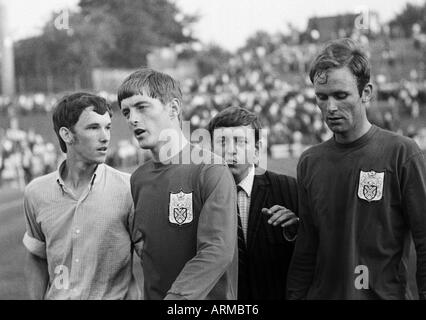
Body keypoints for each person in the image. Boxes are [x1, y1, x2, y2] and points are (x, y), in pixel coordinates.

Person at [286, 38, 426, 300]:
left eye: (341, 95)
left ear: (366, 92)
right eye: (322, 97)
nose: (331, 107)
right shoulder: (309, 162)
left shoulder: (402, 154)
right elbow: (306, 250)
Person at [118, 68, 238, 300]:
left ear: (173, 108)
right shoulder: (138, 178)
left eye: (141, 107)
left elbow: (217, 251)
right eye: (126, 112)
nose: (132, 119)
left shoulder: (210, 169)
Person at [22, 92, 140, 300]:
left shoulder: (129, 189)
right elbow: (36, 256)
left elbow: (152, 259)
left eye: (107, 127)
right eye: (93, 127)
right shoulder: (36, 192)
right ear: (67, 135)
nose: (105, 136)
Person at [207, 106, 299, 300]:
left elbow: (313, 253)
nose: (230, 150)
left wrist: (296, 230)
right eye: (222, 142)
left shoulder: (289, 189)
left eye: (240, 142)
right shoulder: (200, 196)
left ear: (257, 151)